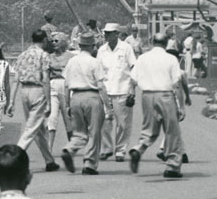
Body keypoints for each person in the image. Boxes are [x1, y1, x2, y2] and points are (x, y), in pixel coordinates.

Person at [128, 31, 191, 178]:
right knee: (172, 131)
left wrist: (131, 94)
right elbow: (177, 84)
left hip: (147, 96)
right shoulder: (171, 59)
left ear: (152, 43)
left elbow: (132, 80)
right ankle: (173, 167)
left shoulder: (143, 58)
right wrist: (181, 106)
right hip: (165, 95)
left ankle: (138, 149)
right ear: (166, 43)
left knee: (149, 130)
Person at [7, 29, 59, 173]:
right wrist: (48, 102)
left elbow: (15, 79)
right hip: (38, 90)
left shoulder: (22, 55)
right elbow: (45, 80)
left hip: (24, 91)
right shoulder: (44, 56)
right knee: (31, 128)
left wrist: (11, 101)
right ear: (43, 40)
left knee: (37, 129)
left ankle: (50, 161)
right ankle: (14, 158)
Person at [60, 31, 108, 175]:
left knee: (79, 132)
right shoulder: (95, 62)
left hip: (76, 97)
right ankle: (89, 163)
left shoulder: (71, 62)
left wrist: (68, 104)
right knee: (94, 132)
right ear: (92, 46)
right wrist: (108, 106)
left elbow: (66, 86)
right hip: (92, 96)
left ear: (80, 45)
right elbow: (101, 86)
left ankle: (70, 148)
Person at [97, 22, 137, 162]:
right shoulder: (102, 50)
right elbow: (98, 70)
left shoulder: (126, 48)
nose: (106, 35)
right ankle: (106, 148)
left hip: (122, 89)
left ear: (117, 34)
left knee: (123, 123)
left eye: (109, 33)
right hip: (106, 90)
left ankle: (120, 150)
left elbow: (134, 68)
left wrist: (132, 88)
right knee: (104, 122)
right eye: (105, 33)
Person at [46, 33, 73, 161]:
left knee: (68, 117)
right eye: (52, 41)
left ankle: (71, 147)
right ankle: (49, 148)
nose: (54, 43)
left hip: (66, 85)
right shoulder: (49, 57)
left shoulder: (71, 57)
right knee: (52, 117)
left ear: (63, 42)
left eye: (56, 41)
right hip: (53, 85)